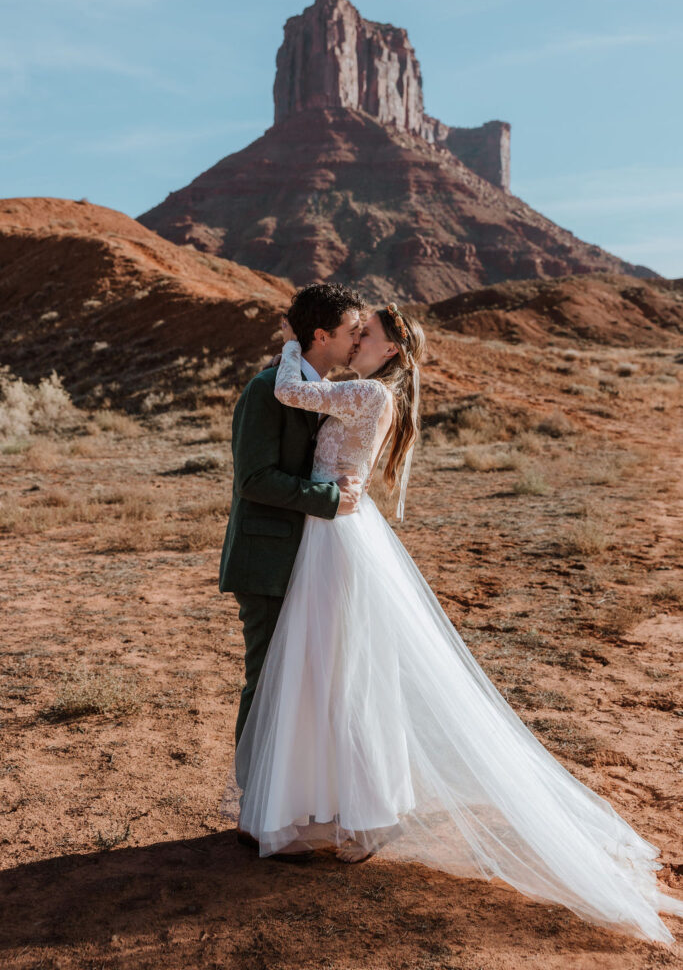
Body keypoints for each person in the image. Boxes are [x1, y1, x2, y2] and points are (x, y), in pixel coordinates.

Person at [221, 302, 683, 945]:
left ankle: (347, 812)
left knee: (340, 672)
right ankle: (296, 806)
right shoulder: (337, 388)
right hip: (316, 540)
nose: (359, 338)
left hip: (335, 538)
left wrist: (296, 351)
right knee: (307, 670)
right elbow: (273, 442)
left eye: (368, 333)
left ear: (385, 352)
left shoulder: (356, 392)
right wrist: (300, 348)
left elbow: (296, 390)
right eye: (354, 330)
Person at [218, 282, 364, 766]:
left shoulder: (324, 393)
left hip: (310, 557)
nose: (357, 340)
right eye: (351, 331)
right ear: (321, 336)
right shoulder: (265, 390)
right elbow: (254, 480)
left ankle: (288, 796)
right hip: (267, 560)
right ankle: (250, 805)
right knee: (268, 680)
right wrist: (331, 499)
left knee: (306, 681)